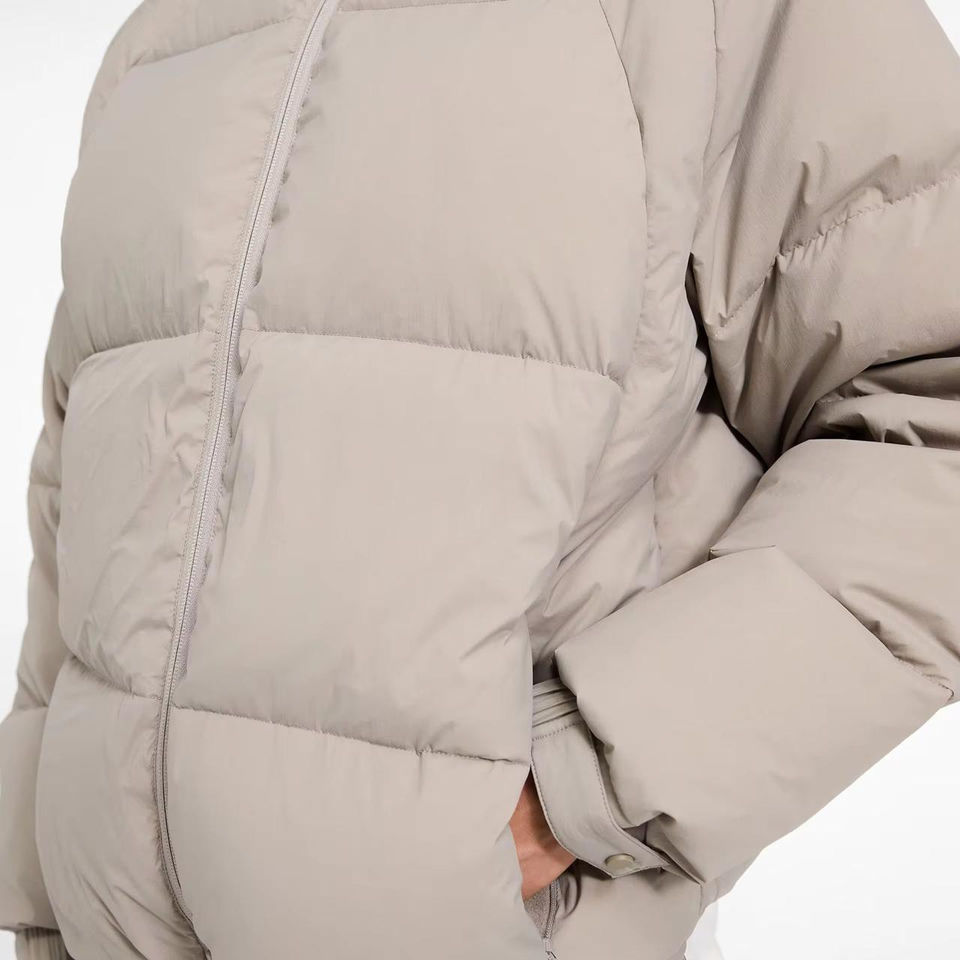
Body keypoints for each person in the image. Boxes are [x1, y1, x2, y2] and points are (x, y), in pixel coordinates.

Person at [1, 0, 959, 957]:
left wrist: (583, 784)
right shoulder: (164, 34)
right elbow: (79, 512)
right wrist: (42, 897)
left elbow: (933, 415)